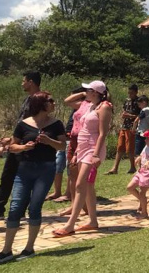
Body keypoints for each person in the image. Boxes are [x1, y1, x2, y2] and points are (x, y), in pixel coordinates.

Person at [0, 92, 67, 264]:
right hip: (24, 170)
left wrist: (49, 141)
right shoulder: (23, 124)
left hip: (45, 169)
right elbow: (12, 146)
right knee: (16, 206)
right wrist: (24, 147)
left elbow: (62, 146)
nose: (53, 103)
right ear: (41, 104)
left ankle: (29, 248)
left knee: (34, 206)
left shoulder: (56, 124)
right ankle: (6, 250)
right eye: (50, 100)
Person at [53, 80, 113, 237]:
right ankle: (93, 221)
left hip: (93, 149)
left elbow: (102, 133)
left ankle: (70, 224)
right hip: (83, 148)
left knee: (80, 185)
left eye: (88, 89)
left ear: (96, 92)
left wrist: (95, 154)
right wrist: (77, 152)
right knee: (88, 186)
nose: (85, 91)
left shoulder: (105, 107)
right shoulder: (91, 106)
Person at [0, 71, 40, 220]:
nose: (22, 83)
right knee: (7, 176)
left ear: (31, 82)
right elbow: (21, 123)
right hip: (16, 143)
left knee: (24, 178)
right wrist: (11, 138)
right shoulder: (26, 99)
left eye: (24, 81)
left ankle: (20, 210)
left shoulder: (39, 100)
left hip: (27, 145)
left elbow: (35, 123)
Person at [59, 87, 88, 215]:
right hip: (73, 141)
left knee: (82, 177)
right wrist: (81, 93)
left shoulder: (93, 106)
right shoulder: (81, 105)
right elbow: (66, 101)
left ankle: (85, 206)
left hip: (83, 142)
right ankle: (73, 205)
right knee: (71, 174)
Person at [107, 84, 139, 175]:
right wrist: (124, 115)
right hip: (124, 126)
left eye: (132, 93)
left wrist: (129, 116)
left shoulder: (139, 101)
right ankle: (115, 168)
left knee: (130, 148)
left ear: (136, 92)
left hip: (132, 127)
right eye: (129, 93)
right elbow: (124, 112)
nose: (130, 95)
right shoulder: (127, 101)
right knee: (120, 147)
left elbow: (141, 116)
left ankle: (133, 167)